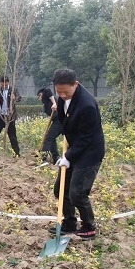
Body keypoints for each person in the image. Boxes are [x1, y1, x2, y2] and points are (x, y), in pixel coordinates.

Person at [49, 68, 105, 240]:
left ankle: (89, 227)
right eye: (59, 92)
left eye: (66, 92)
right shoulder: (62, 98)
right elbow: (62, 121)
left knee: (77, 193)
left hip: (89, 152)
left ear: (76, 84)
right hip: (74, 148)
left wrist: (68, 157)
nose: (62, 95)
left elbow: (85, 138)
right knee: (60, 189)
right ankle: (69, 223)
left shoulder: (87, 105)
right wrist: (49, 139)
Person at [0, 75, 21, 157]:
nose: (4, 86)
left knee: (12, 136)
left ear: (8, 83)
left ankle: (16, 154)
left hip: (10, 117)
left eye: (5, 84)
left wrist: (15, 98)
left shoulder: (13, 90)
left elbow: (19, 97)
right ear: (0, 83)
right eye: (2, 84)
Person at [38, 87, 62, 164]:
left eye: (40, 95)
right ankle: (56, 158)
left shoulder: (50, 98)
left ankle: (44, 158)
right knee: (51, 137)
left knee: (48, 139)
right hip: (56, 121)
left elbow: (47, 90)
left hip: (61, 120)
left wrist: (54, 103)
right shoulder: (45, 106)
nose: (40, 97)